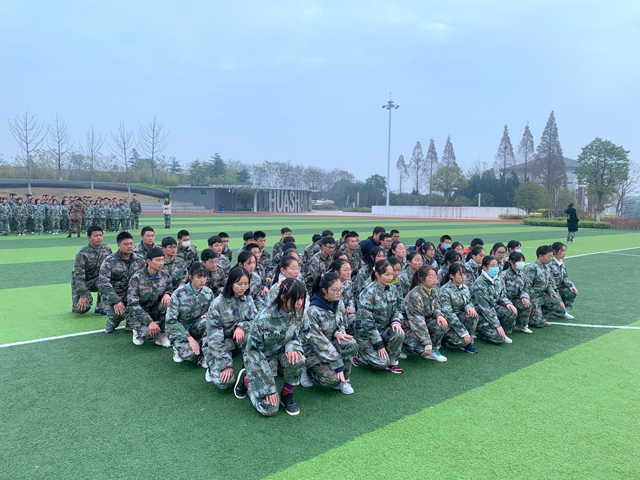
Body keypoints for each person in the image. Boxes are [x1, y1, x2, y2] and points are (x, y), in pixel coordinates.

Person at [234, 278, 307, 416]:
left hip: (281, 354)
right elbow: (253, 352)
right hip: (261, 359)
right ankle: (246, 379)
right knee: (269, 409)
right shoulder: (264, 318)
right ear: (283, 298)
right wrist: (269, 388)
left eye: (302, 298)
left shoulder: (299, 312)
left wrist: (292, 346)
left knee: (298, 358)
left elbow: (303, 334)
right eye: (296, 299)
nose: (300, 303)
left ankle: (287, 394)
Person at [300, 272, 357, 394]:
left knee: (350, 343)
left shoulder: (339, 303)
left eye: (340, 289)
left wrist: (339, 332)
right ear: (324, 290)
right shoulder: (313, 311)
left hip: (331, 343)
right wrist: (337, 363)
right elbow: (318, 343)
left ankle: (344, 380)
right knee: (332, 380)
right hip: (313, 351)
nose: (339, 292)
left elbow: (342, 323)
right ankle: (307, 370)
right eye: (335, 290)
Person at [205, 266, 258, 389]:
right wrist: (226, 365)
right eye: (239, 284)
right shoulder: (218, 304)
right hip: (221, 344)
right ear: (230, 284)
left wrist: (241, 326)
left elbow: (255, 322)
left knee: (252, 336)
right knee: (225, 382)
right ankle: (212, 364)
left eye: (246, 284)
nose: (243, 287)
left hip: (238, 342)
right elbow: (214, 339)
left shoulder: (248, 299)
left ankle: (247, 369)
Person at [354, 260, 405, 374]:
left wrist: (396, 321)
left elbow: (398, 308)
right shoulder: (368, 293)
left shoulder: (393, 289)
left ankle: (393, 361)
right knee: (381, 363)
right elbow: (367, 323)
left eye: (391, 274)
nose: (390, 277)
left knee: (399, 332)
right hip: (367, 334)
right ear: (377, 274)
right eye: (387, 274)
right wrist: (379, 345)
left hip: (384, 329)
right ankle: (359, 352)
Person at [165, 262, 215, 365]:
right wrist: (189, 337)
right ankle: (177, 347)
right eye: (199, 277)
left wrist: (207, 314)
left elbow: (212, 310)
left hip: (196, 325)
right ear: (191, 277)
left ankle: (206, 355)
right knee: (190, 355)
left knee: (208, 322)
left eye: (205, 277)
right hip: (179, 328)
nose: (203, 280)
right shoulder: (178, 294)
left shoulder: (208, 292)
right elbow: (171, 321)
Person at [98, 232, 146, 333]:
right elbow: (104, 282)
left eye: (131, 244)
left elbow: (146, 277)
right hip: (115, 295)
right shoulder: (109, 261)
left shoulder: (140, 260)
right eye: (126, 244)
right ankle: (112, 322)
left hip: (133, 295)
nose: (129, 246)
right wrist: (115, 301)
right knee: (119, 313)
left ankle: (130, 322)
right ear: (118, 245)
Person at [126, 247, 173, 347]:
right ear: (149, 261)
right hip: (138, 313)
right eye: (157, 260)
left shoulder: (165, 275)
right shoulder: (137, 278)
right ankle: (137, 331)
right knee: (149, 334)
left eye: (162, 260)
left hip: (154, 309)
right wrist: (149, 322)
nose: (161, 263)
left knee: (168, 303)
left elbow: (169, 289)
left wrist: (168, 294)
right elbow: (133, 304)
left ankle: (163, 333)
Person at [402, 266, 448, 362]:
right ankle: (402, 348)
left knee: (441, 323)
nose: (434, 279)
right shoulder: (415, 295)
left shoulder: (433, 290)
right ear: (422, 279)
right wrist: (427, 343)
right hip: (408, 326)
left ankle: (433, 350)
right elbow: (417, 322)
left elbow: (436, 307)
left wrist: (439, 315)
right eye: (430, 277)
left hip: (424, 322)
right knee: (421, 349)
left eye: (435, 276)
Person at [472, 256, 518, 344]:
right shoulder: (480, 283)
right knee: (498, 339)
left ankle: (503, 332)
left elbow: (502, 295)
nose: (496, 268)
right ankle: (479, 330)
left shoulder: (498, 279)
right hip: (481, 312)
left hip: (494, 307)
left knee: (511, 311)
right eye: (492, 266)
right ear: (485, 268)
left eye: (496, 265)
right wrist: (497, 325)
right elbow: (485, 308)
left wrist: (507, 303)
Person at [438, 263, 479, 354]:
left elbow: (468, 302)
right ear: (452, 276)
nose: (463, 277)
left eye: (464, 274)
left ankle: (468, 343)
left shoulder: (465, 287)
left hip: (460, 319)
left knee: (473, 315)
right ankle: (444, 338)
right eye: (460, 274)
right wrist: (464, 333)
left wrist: (469, 307)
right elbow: (449, 314)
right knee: (461, 341)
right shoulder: (445, 290)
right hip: (448, 322)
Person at [72, 226, 113, 315]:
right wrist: (83, 295)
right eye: (96, 236)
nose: (99, 238)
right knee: (81, 309)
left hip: (98, 280)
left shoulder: (107, 249)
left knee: (107, 280)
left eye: (101, 235)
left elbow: (111, 267)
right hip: (83, 282)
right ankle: (76, 304)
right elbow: (79, 276)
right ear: (89, 237)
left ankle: (100, 307)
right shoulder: (82, 253)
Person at [524, 245, 566, 328]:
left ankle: (542, 316)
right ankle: (532, 317)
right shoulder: (531, 268)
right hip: (533, 297)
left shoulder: (546, 266)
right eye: (549, 256)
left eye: (552, 256)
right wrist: (534, 304)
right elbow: (528, 288)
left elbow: (549, 283)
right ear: (540, 256)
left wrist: (552, 293)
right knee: (538, 324)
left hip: (542, 295)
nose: (551, 259)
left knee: (556, 302)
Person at [500, 251, 533, 334]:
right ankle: (506, 328)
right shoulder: (503, 275)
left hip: (516, 299)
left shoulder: (523, 275)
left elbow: (525, 289)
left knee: (527, 304)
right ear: (511, 262)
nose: (521, 263)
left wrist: (524, 297)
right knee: (510, 311)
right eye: (519, 261)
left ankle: (522, 326)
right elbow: (501, 293)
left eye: (522, 261)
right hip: (504, 301)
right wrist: (508, 303)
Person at [550, 242, 579, 312]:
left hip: (559, 287)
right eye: (562, 251)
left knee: (571, 291)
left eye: (565, 251)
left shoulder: (561, 262)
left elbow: (564, 278)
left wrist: (571, 285)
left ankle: (565, 310)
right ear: (555, 252)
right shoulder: (549, 263)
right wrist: (559, 298)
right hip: (550, 289)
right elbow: (550, 283)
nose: (564, 253)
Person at [331, 258, 356, 334]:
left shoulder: (348, 282)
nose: (349, 272)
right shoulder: (330, 285)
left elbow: (351, 297)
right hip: (333, 315)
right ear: (336, 272)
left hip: (345, 312)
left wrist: (351, 307)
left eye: (350, 269)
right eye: (345, 270)